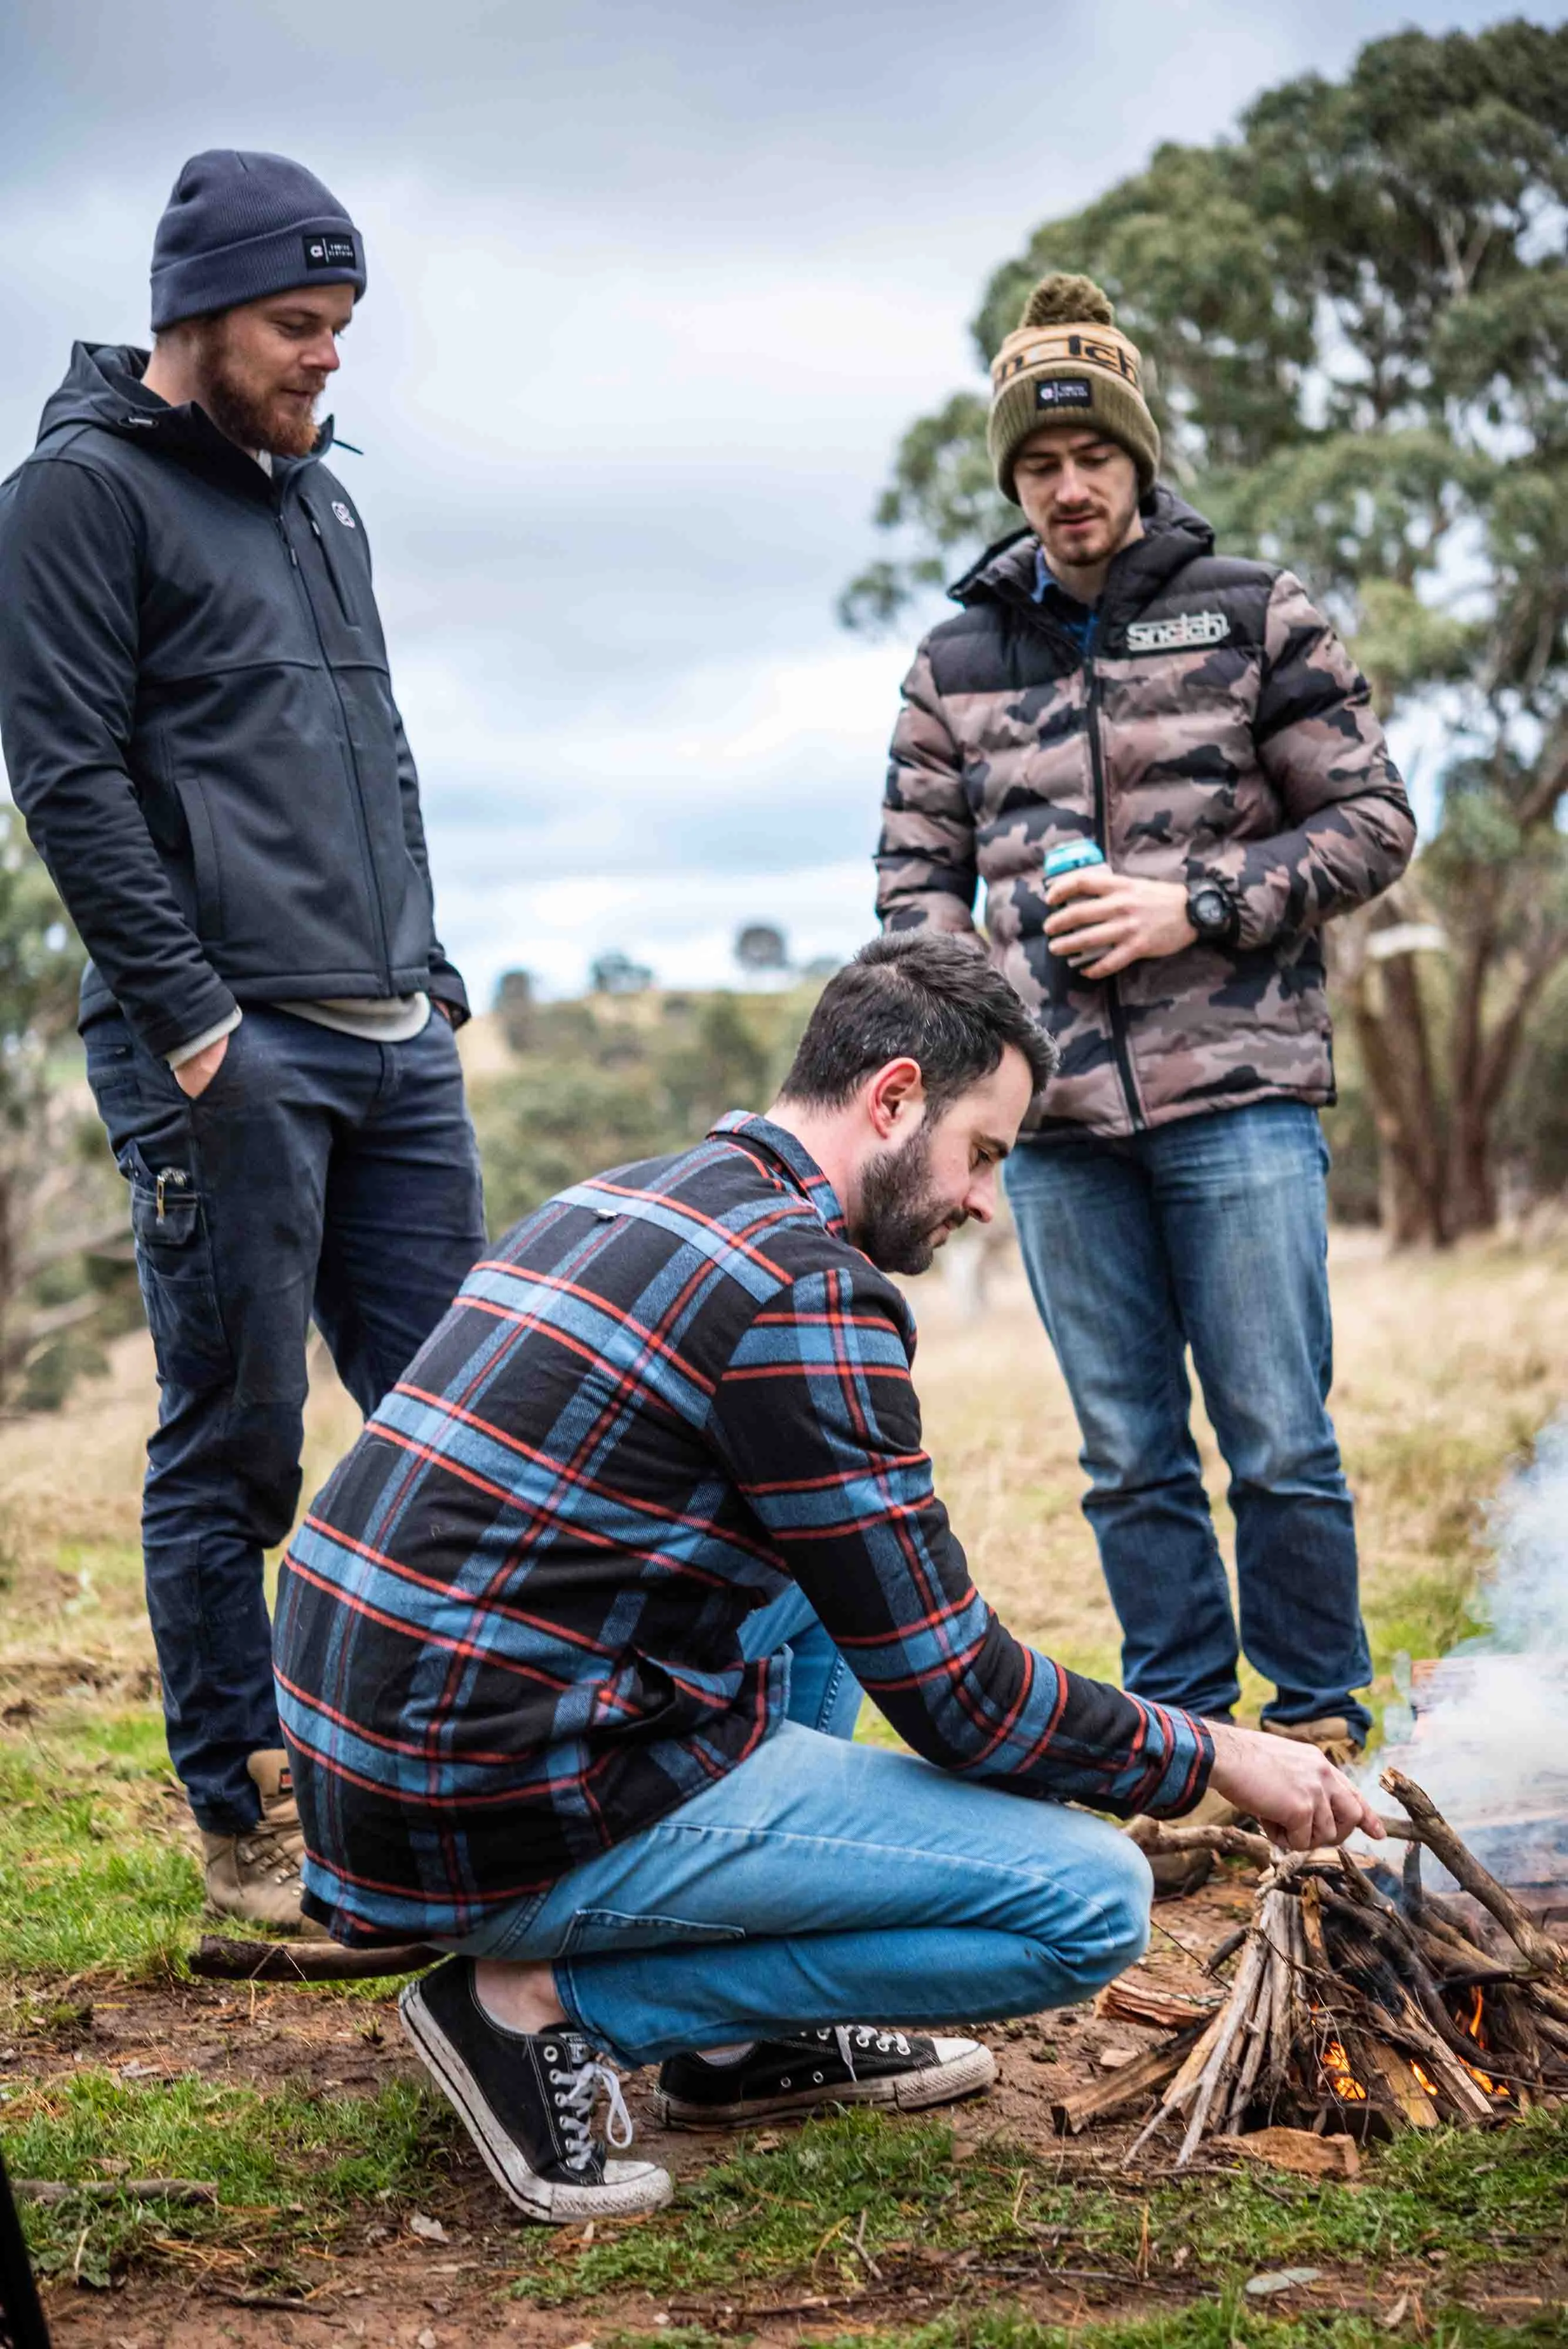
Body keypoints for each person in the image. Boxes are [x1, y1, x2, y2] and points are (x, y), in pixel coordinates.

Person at [274, 935, 1382, 2221]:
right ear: (894, 1098)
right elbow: (962, 1697)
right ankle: (536, 2003)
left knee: (815, 1569)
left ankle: (737, 2050)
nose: (981, 1201)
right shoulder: (808, 1294)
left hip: (381, 1758)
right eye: (984, 1153)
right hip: (486, 1792)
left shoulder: (624, 1196)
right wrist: (1215, 1758)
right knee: (1090, 1898)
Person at [876, 274, 1416, 1888]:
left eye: (1090, 453)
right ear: (1010, 481)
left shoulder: (1252, 610)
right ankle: (1185, 1742)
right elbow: (910, 899)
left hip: (1239, 1095)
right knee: (1125, 1452)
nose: (1066, 485)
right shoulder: (950, 661)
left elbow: (1373, 821)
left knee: (1275, 1435)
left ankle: (1317, 1727)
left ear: (1133, 456)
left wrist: (1199, 903)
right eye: (1036, 464)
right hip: (1054, 1131)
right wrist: (989, 1030)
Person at [0, 151, 486, 1933]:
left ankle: (437, 1790)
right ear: (190, 318)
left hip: (390, 1040)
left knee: (469, 1425)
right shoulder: (76, 499)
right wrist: (198, 1029)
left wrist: (426, 970)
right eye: (299, 324)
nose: (326, 360)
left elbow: (381, 753)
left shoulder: (317, 500)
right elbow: (64, 783)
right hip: (226, 1053)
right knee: (237, 1448)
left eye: (343, 326)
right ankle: (248, 1831)